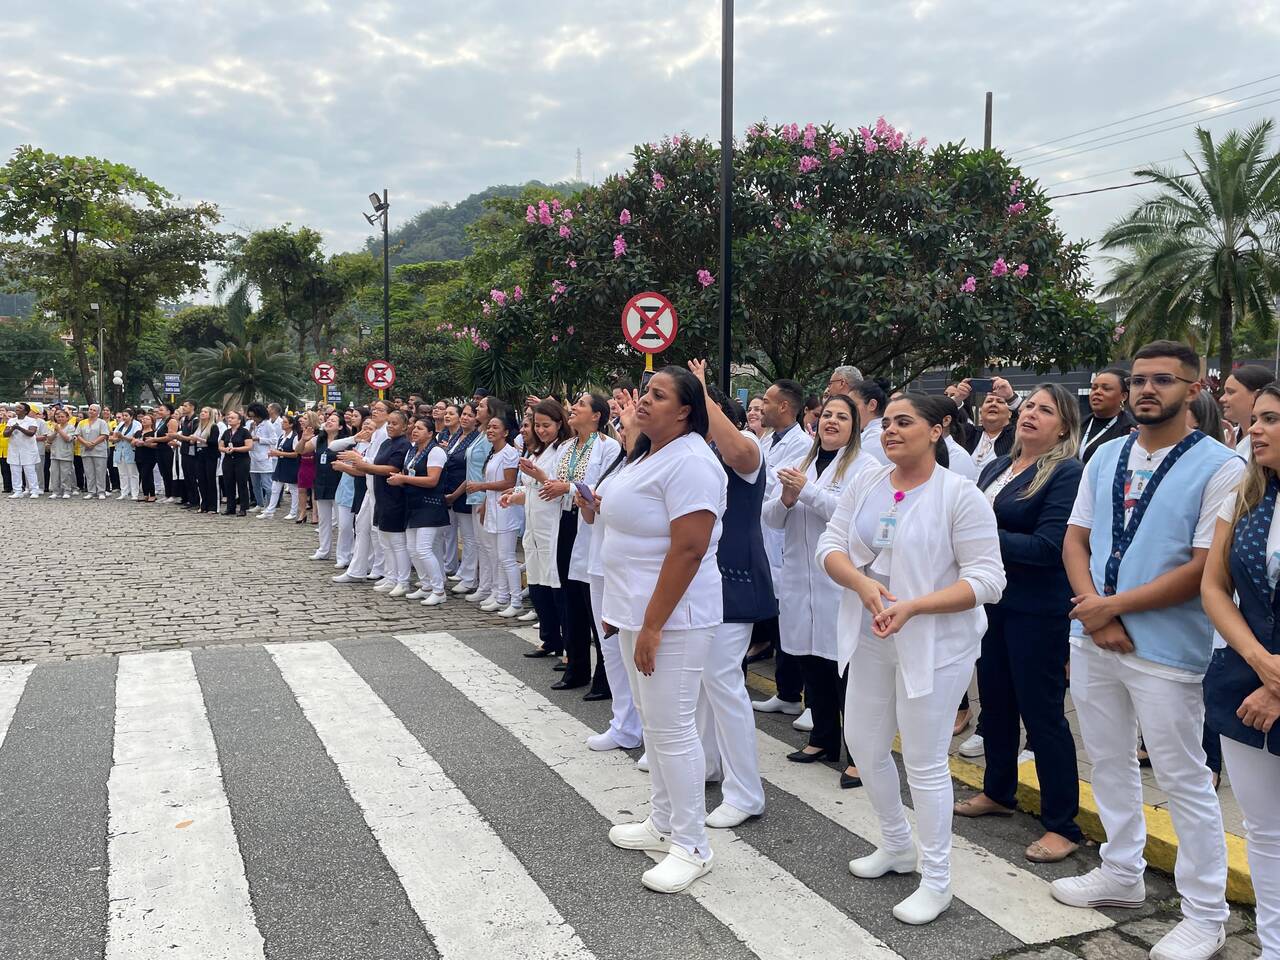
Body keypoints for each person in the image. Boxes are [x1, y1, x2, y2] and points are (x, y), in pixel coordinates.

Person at [1054, 340, 1238, 960]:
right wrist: (1094, 610)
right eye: (1138, 380)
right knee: (1107, 759)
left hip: (1166, 647)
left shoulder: (1221, 466)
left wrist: (1111, 609)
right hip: (1094, 636)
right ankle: (1121, 872)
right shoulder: (1105, 454)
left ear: (1195, 388)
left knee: (1184, 777)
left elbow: (1203, 568)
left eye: (1163, 380)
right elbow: (1075, 540)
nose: (1146, 391)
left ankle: (1206, 914)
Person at [817, 393, 1005, 925]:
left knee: (924, 761)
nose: (891, 431)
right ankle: (898, 844)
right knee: (863, 742)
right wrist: (862, 586)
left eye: (904, 422)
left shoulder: (959, 495)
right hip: (872, 631)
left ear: (938, 429)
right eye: (887, 423)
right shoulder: (867, 482)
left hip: (935, 644)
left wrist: (915, 607)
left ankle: (937, 879)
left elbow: (989, 580)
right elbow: (830, 545)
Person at [602, 367, 727, 894]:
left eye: (658, 395)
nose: (644, 401)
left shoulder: (693, 461)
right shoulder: (650, 453)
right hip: (639, 611)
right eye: (645, 393)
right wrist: (620, 608)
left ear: (684, 411)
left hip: (675, 618)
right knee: (655, 726)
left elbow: (689, 549)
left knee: (673, 729)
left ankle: (693, 845)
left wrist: (652, 623)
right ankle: (663, 821)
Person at [952, 384, 1086, 864]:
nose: (1030, 414)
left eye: (1045, 410)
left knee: (1042, 713)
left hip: (1036, 610)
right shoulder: (996, 467)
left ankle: (1062, 824)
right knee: (996, 703)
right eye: (1028, 406)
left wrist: (982, 534)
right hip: (992, 604)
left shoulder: (1065, 473)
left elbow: (1050, 548)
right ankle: (998, 790)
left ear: (1064, 427)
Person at [763, 394, 880, 789]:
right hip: (800, 579)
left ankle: (860, 755)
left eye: (842, 417)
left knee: (844, 671)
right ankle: (823, 738)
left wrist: (807, 492)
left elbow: (854, 519)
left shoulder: (866, 467)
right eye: (827, 414)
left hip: (838, 582)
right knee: (811, 663)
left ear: (855, 425)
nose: (832, 421)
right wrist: (786, 498)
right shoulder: (802, 463)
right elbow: (771, 519)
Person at [1201, 383, 1280, 960]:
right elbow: (1213, 587)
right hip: (1242, 681)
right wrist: (1260, 663)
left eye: (1271, 419)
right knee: (1265, 831)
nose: (1255, 429)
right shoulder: (1245, 496)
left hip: (1265, 687)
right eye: (1256, 419)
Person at [678, 364, 772, 828]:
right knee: (703, 680)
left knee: (722, 681)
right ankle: (710, 764)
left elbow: (736, 450)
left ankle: (746, 792)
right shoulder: (698, 454)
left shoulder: (746, 447)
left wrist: (700, 392)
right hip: (703, 580)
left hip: (735, 580)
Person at [747, 379, 814, 715]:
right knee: (780, 624)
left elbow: (773, 485)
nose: (762, 408)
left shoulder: (801, 445)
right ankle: (787, 693)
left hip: (783, 542)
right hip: (764, 536)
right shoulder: (768, 439)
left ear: (785, 407)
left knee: (794, 624)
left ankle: (806, 698)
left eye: (768, 402)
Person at [577, 413, 641, 751]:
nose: (621, 434)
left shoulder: (649, 464)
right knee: (610, 650)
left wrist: (606, 508)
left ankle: (647, 728)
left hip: (628, 568)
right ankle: (624, 724)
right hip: (600, 561)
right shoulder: (618, 463)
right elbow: (592, 518)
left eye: (626, 428)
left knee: (633, 651)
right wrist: (588, 505)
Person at [503, 400, 570, 650]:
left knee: (555, 585)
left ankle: (565, 642)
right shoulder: (536, 452)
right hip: (533, 526)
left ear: (559, 424)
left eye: (546, 425)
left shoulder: (562, 451)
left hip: (552, 524)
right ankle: (549, 639)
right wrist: (514, 495)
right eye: (537, 425)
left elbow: (557, 487)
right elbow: (531, 490)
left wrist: (538, 476)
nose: (541, 430)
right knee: (537, 584)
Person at [392, 416, 450, 604]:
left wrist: (404, 479)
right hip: (413, 503)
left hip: (430, 505)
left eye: (420, 428)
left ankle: (439, 591)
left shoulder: (436, 451)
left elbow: (432, 480)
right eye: (414, 427)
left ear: (430, 433)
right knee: (413, 549)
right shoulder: (412, 450)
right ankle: (426, 585)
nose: (415, 430)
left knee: (424, 549)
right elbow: (408, 473)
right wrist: (400, 479)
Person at [475, 410, 523, 616]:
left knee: (507, 557)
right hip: (494, 509)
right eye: (489, 427)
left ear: (506, 432)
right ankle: (501, 596)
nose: (490, 430)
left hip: (507, 510)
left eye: (495, 427)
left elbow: (508, 482)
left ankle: (516, 600)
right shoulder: (494, 453)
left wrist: (481, 486)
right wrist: (485, 504)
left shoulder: (510, 453)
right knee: (497, 556)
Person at [461, 397, 501, 605]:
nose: (477, 408)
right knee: (481, 544)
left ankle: (496, 588)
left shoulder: (489, 439)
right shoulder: (480, 434)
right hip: (474, 495)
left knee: (489, 546)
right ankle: (484, 586)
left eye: (482, 406)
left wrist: (485, 498)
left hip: (485, 495)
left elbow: (489, 469)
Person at [443, 403, 482, 595]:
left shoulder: (476, 439)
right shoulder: (457, 436)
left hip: (465, 492)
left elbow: (472, 471)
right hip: (450, 489)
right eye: (464, 414)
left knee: (469, 537)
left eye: (470, 415)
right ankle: (461, 571)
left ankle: (469, 577)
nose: (465, 418)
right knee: (454, 534)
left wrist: (456, 494)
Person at [330, 407, 372, 573]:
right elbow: (333, 446)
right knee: (345, 526)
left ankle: (359, 557)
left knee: (361, 528)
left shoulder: (376, 445)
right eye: (365, 425)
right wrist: (355, 437)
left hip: (362, 487)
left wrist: (346, 465)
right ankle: (343, 556)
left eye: (356, 416)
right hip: (346, 487)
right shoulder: (355, 441)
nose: (366, 429)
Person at [306, 411, 346, 560]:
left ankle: (343, 554)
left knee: (342, 523)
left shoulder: (345, 442)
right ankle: (323, 550)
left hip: (338, 483)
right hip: (321, 483)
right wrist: (303, 439)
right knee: (324, 520)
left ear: (340, 426)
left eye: (333, 421)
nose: (329, 422)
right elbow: (300, 450)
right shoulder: (319, 439)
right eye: (328, 420)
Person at [1080, 368, 1135, 464]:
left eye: (1106, 389)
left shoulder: (1131, 430)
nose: (1097, 392)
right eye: (1094, 388)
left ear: (1123, 396)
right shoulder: (1076, 425)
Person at [1221, 364, 1276, 455]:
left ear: (1256, 396)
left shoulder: (1270, 444)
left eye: (1230, 392)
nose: (1222, 399)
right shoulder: (1226, 436)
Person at [262, 414, 300, 520]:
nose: (282, 424)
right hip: (281, 464)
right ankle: (270, 510)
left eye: (285, 422)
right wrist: (274, 453)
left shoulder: (294, 437)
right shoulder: (282, 436)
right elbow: (279, 450)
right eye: (282, 422)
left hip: (291, 465)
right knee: (275, 488)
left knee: (293, 489)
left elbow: (296, 453)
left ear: (291, 424)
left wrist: (279, 453)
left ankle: (293, 512)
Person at [966, 392, 1015, 470]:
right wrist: (958, 399)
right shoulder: (969, 433)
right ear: (981, 411)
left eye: (1000, 402)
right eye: (989, 401)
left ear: (1010, 413)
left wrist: (1011, 398)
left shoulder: (1016, 436)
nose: (993, 404)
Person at [218, 411, 254, 515]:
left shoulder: (244, 432)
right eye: (229, 418)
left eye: (233, 418)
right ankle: (230, 507)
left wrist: (235, 449)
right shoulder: (227, 432)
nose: (230, 419)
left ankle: (243, 508)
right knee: (229, 483)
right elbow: (220, 446)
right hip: (228, 460)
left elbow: (249, 446)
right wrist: (225, 449)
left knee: (242, 484)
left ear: (239, 420)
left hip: (241, 460)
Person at [4, 402, 43, 498]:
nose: (17, 409)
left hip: (28, 450)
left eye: (20, 408)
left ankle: (34, 490)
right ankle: (17, 491)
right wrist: (12, 428)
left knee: (30, 471)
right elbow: (5, 434)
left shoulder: (31, 421)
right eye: (17, 407)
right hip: (14, 449)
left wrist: (19, 428)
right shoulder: (11, 421)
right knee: (15, 471)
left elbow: (31, 433)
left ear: (26, 411)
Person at [247, 403, 280, 513]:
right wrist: (250, 430)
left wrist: (259, 439)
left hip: (264, 457)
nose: (253, 419)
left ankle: (269, 505)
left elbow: (274, 440)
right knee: (255, 484)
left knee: (267, 484)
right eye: (251, 416)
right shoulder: (252, 424)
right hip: (253, 457)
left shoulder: (267, 425)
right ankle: (259, 503)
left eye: (255, 416)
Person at [75, 404, 110, 499]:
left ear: (98, 412)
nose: (91, 411)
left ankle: (101, 491)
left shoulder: (102, 422)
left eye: (94, 410)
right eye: (90, 409)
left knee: (100, 472)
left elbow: (104, 435)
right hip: (86, 450)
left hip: (99, 451)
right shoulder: (82, 422)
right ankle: (91, 491)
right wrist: (85, 443)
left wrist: (93, 443)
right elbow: (78, 435)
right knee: (89, 472)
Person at [189, 407, 221, 513]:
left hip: (210, 455)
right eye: (202, 412)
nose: (202, 413)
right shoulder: (198, 427)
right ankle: (204, 505)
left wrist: (198, 439)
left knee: (210, 480)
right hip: (200, 455)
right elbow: (194, 439)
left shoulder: (213, 427)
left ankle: (213, 506)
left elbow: (213, 441)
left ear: (210, 415)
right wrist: (192, 440)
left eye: (205, 412)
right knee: (201, 480)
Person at [850, 379, 889, 465]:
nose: (848, 411)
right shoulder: (871, 434)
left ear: (872, 405)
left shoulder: (876, 438)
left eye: (852, 405)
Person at [45, 407, 77, 498]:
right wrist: (55, 432)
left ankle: (66, 490)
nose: (60, 418)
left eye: (62, 417)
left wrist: (59, 430)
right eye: (58, 417)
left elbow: (68, 439)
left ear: (67, 418)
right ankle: (56, 491)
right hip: (54, 454)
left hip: (65, 454)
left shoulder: (70, 427)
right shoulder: (53, 426)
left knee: (65, 474)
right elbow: (49, 439)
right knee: (54, 473)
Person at [111, 409, 143, 502]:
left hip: (130, 451)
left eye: (126, 416)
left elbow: (135, 438)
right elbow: (114, 437)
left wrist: (122, 437)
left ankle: (134, 493)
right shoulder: (120, 424)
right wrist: (117, 438)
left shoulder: (136, 425)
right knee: (122, 474)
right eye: (123, 415)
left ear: (131, 417)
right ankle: (124, 492)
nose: (124, 417)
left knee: (133, 474)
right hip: (120, 451)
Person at [296, 411, 318, 525]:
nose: (302, 420)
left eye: (305, 418)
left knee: (314, 489)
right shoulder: (300, 433)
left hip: (314, 462)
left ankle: (315, 514)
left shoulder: (319, 433)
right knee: (301, 489)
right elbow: (298, 450)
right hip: (303, 462)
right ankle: (302, 512)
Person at [133, 413, 159, 503]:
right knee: (142, 475)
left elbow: (156, 445)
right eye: (143, 419)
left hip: (149, 456)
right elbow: (132, 442)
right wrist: (135, 442)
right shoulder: (138, 432)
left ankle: (152, 494)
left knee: (146, 475)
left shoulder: (154, 433)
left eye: (147, 419)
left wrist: (144, 443)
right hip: (139, 455)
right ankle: (145, 494)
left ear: (152, 422)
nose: (144, 420)